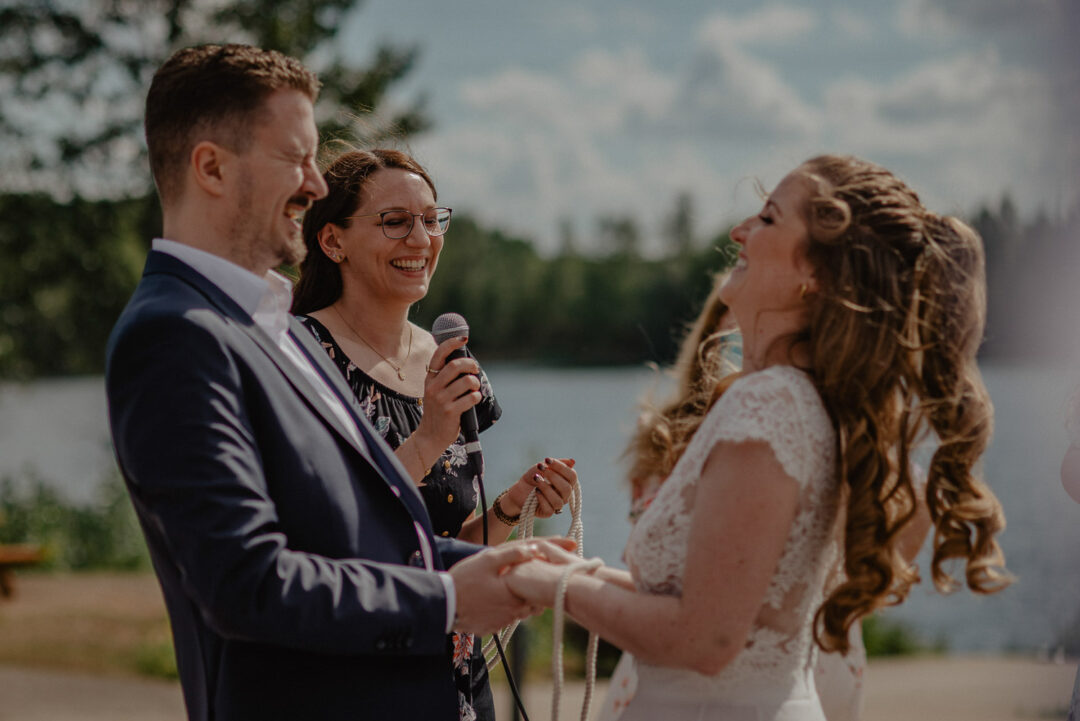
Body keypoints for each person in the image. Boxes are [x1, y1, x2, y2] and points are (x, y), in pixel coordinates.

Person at [105, 44, 570, 721]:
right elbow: (249, 584)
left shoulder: (276, 326)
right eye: (295, 159)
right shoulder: (175, 336)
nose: (316, 185)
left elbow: (355, 537)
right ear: (211, 167)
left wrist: (504, 557)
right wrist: (446, 598)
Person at [506, 155, 1010, 720]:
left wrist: (548, 584)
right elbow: (725, 606)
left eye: (768, 218)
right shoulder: (804, 400)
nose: (738, 231)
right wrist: (574, 571)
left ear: (815, 273)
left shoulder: (769, 405)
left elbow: (705, 641)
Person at [289, 147, 579, 721]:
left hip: (457, 678)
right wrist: (426, 440)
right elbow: (324, 531)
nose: (421, 239)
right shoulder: (298, 357)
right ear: (333, 241)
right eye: (395, 222)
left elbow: (442, 543)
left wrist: (508, 509)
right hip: (356, 676)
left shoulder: (449, 359)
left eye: (431, 219)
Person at [604, 271, 931, 721]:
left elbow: (897, 550)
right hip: (673, 648)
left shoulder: (835, 430)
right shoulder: (663, 433)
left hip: (809, 652)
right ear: (711, 333)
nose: (744, 342)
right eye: (731, 328)